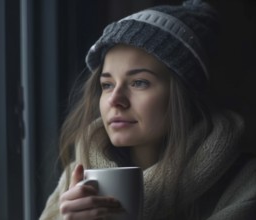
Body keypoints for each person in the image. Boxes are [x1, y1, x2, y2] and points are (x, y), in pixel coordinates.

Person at [39, 0, 256, 219]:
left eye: (139, 82)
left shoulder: (245, 182)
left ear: (184, 93)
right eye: (107, 85)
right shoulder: (78, 179)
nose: (115, 100)